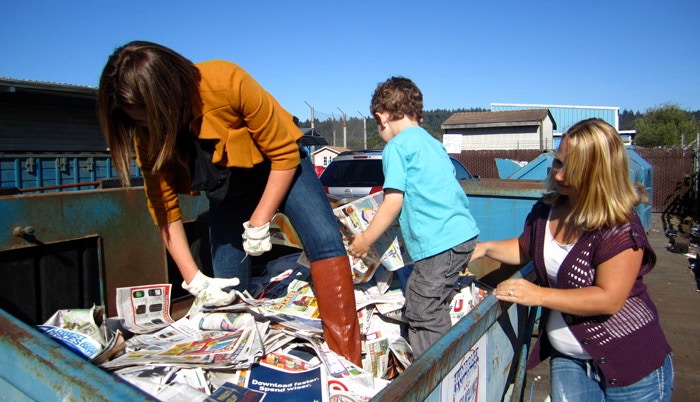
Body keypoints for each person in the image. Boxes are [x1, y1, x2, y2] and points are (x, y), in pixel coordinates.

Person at [97, 41, 361, 365]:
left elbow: (284, 155)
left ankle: (347, 359)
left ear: (167, 98)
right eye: (139, 124)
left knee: (324, 240)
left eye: (150, 120)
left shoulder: (225, 80)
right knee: (228, 281)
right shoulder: (145, 135)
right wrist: (193, 279)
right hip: (228, 190)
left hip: (281, 168)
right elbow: (164, 208)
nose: (147, 130)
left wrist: (261, 221)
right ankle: (238, 362)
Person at [470, 118, 673, 401]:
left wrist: (538, 295)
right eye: (558, 162)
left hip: (630, 365)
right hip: (568, 360)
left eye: (572, 168)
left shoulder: (619, 226)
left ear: (600, 172)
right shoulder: (547, 209)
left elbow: (608, 298)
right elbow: (525, 248)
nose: (561, 175)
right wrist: (485, 248)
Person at [348, 76, 479, 358]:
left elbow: (393, 200)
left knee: (421, 307)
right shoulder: (432, 143)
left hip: (441, 243)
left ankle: (434, 371)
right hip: (461, 235)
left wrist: (366, 240)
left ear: (381, 117)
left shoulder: (395, 148)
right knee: (430, 298)